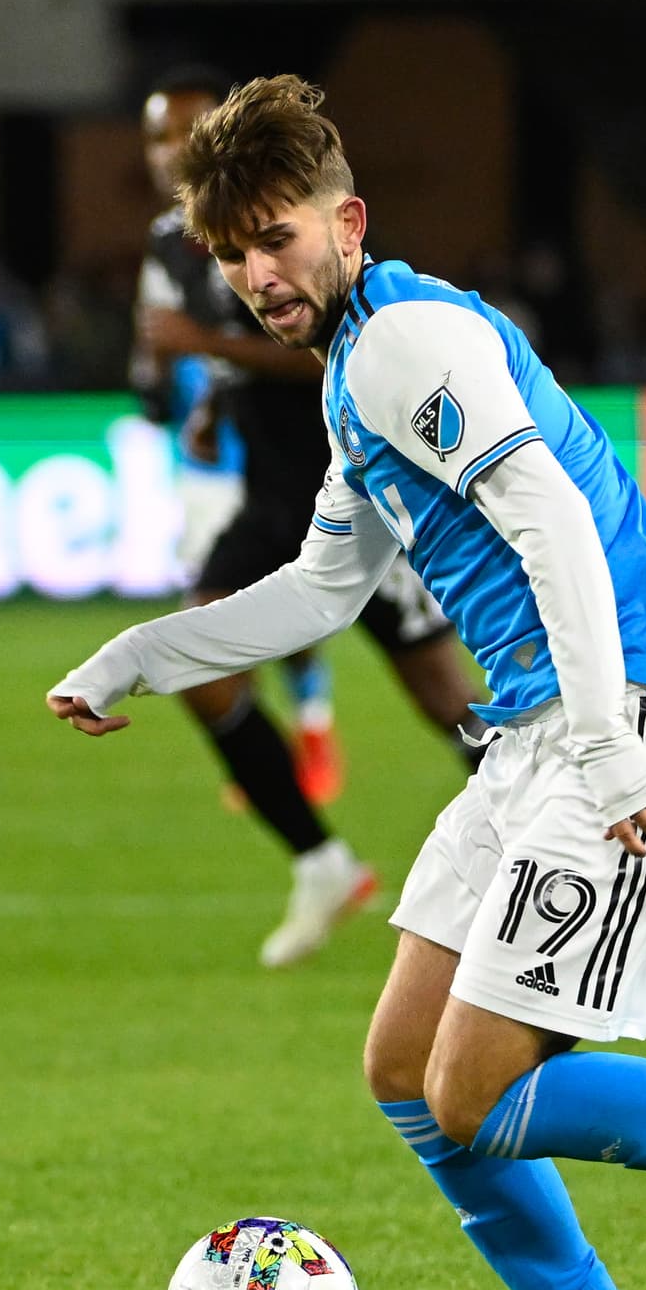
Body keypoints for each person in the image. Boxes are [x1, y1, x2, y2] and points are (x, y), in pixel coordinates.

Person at [47, 75, 646, 1290]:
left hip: (625, 724)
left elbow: (555, 518)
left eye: (276, 239)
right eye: (232, 257)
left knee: (473, 1093)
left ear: (347, 218)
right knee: (405, 1066)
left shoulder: (409, 343)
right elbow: (321, 593)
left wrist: (608, 744)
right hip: (537, 740)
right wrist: (139, 658)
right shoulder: (358, 372)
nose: (257, 278)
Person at [129, 65, 484, 970]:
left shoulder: (297, 221)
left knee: (446, 701)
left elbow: (334, 345)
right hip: (272, 502)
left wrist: (207, 350)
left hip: (363, 494)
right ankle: (321, 861)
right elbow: (170, 375)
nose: (174, 152)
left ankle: (563, 825)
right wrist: (204, 395)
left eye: (189, 132)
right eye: (160, 139)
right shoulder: (172, 247)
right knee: (194, 657)